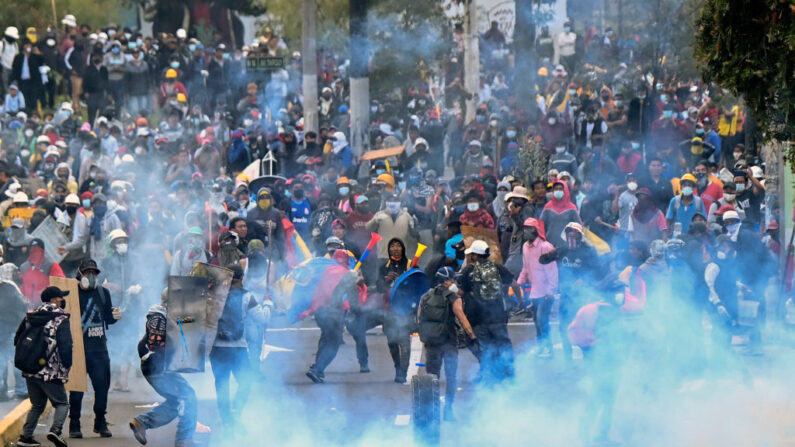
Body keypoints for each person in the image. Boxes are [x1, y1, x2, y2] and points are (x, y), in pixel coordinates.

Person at [129, 301, 197, 447]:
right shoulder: (158, 317)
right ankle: (184, 440)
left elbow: (181, 324)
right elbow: (156, 343)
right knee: (188, 396)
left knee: (176, 402)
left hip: (159, 366)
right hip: (157, 367)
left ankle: (142, 422)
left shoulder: (167, 316)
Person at [69, 259, 121, 439]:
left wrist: (115, 316)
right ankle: (74, 423)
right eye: (87, 273)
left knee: (102, 386)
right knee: (76, 389)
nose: (91, 276)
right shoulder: (71, 294)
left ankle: (100, 420)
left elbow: (108, 318)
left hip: (99, 349)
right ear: (79, 275)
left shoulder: (103, 293)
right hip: (78, 349)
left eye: (94, 273)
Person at [14, 286, 73, 447]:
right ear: (53, 300)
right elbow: (66, 346)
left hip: (30, 369)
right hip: (50, 371)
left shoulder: (31, 316)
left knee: (37, 404)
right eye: (61, 297)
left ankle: (25, 438)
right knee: (62, 403)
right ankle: (56, 430)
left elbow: (17, 340)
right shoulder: (61, 318)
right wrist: (67, 365)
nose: (63, 300)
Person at [210, 265, 264, 436]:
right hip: (238, 348)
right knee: (246, 382)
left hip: (217, 349)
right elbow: (262, 317)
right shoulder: (248, 296)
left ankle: (227, 421)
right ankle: (236, 413)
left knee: (222, 385)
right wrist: (269, 303)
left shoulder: (213, 295)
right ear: (242, 278)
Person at [417, 266, 475, 421]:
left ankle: (431, 410)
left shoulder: (426, 296)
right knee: (451, 377)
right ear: (447, 281)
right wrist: (472, 335)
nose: (455, 282)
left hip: (431, 343)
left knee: (432, 377)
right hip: (448, 341)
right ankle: (448, 409)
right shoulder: (454, 297)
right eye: (453, 279)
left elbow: (419, 318)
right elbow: (461, 317)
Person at [458, 240, 520, 383]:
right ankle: (509, 374)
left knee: (484, 348)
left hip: (477, 318)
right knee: (504, 345)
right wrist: (520, 301)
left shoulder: (469, 271)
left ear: (475, 255)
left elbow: (461, 292)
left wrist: (450, 291)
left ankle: (488, 376)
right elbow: (514, 284)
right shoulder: (498, 268)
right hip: (498, 316)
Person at [303, 250, 367, 383]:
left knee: (326, 336)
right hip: (334, 311)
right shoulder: (346, 274)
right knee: (334, 341)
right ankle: (317, 369)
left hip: (319, 310)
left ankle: (317, 366)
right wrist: (355, 311)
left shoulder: (325, 269)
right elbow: (353, 297)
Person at [517, 218, 558, 358]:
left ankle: (548, 348)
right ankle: (542, 347)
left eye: (527, 228)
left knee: (542, 319)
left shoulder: (545, 247)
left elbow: (552, 272)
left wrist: (550, 291)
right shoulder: (525, 247)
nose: (524, 232)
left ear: (534, 230)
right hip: (535, 292)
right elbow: (525, 268)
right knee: (536, 321)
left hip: (546, 292)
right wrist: (518, 283)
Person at [377, 238, 413, 383]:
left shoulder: (410, 264)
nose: (396, 248)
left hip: (405, 308)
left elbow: (416, 284)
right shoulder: (384, 267)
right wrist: (386, 280)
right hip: (389, 309)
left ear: (403, 248)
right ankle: (397, 366)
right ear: (389, 249)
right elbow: (379, 287)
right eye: (392, 246)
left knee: (404, 341)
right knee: (392, 341)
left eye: (398, 245)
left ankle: (403, 372)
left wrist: (401, 280)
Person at [20, 238, 66, 305]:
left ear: (43, 251)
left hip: (47, 306)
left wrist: (45, 292)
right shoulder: (24, 267)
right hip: (27, 307)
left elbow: (60, 282)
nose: (36, 253)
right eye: (33, 251)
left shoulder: (51, 265)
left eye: (38, 250)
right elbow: (21, 286)